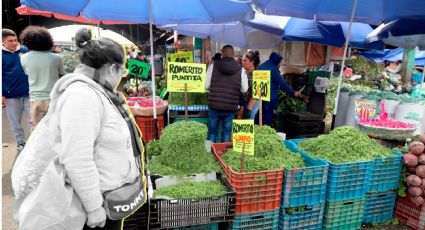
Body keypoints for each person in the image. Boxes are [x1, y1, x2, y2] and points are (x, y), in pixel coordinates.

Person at [11, 28, 145, 229]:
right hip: (90, 208)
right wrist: (93, 207)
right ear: (110, 68)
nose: (121, 77)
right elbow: (77, 157)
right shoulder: (82, 96)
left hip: (106, 199)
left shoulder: (97, 91)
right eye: (121, 71)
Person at [20, 26, 65, 129]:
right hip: (54, 97)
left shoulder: (23, 58)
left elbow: (27, 73)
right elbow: (61, 76)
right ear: (48, 41)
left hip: (35, 99)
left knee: (37, 131)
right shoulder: (57, 58)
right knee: (56, 128)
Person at [206, 45, 248, 142]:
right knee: (226, 133)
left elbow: (206, 86)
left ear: (222, 54)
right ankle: (224, 154)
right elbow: (244, 89)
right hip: (230, 108)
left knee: (212, 132)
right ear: (233, 55)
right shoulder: (240, 69)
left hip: (214, 106)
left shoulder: (213, 66)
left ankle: (209, 154)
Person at [2, 28, 30, 151]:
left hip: (28, 93)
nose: (14, 43)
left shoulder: (25, 51)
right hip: (11, 96)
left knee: (32, 120)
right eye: (10, 41)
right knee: (15, 122)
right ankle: (20, 142)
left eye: (15, 40)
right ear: (3, 42)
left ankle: (35, 142)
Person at [256, 52, 301, 125]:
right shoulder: (273, 70)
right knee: (267, 114)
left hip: (259, 95)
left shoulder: (261, 66)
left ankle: (256, 128)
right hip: (270, 96)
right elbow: (282, 83)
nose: (279, 64)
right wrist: (293, 92)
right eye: (279, 62)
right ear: (276, 61)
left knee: (259, 113)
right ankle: (264, 130)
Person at [238, 50, 260, 119]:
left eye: (245, 61)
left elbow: (256, 95)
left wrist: (249, 109)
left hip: (253, 103)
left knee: (248, 121)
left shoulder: (257, 75)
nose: (242, 62)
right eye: (242, 60)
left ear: (252, 62)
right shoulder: (244, 72)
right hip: (244, 102)